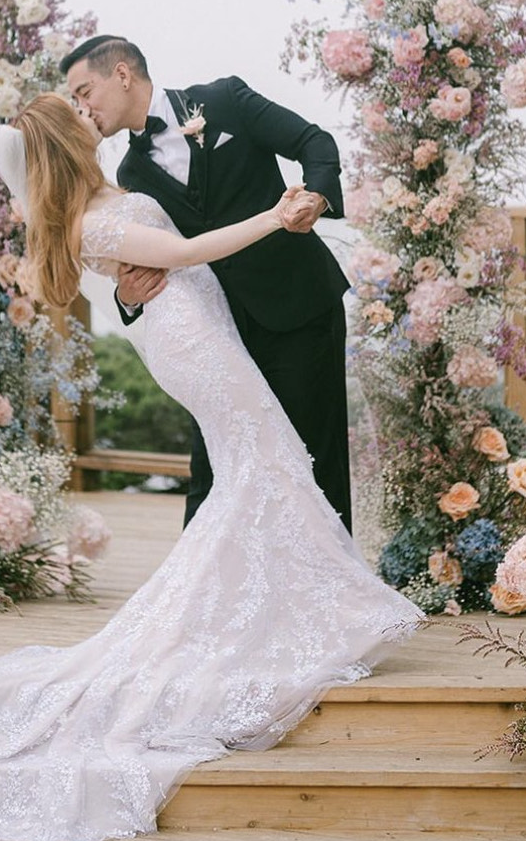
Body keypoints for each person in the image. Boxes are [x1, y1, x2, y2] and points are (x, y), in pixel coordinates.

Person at [0, 93, 424, 841]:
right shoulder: (89, 217)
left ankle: (293, 608)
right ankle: (306, 612)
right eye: (75, 111)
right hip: (192, 341)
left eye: (85, 98)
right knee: (266, 463)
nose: (88, 113)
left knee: (264, 467)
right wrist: (276, 215)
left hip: (211, 327)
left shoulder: (116, 185)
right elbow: (184, 255)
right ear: (64, 140)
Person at [61, 34, 354, 533]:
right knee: (214, 473)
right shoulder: (130, 172)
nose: (82, 108)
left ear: (122, 74)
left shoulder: (224, 100)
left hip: (298, 306)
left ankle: (338, 579)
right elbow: (145, 255)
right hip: (218, 336)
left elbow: (314, 142)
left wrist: (317, 197)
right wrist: (126, 297)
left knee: (316, 463)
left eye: (84, 92)